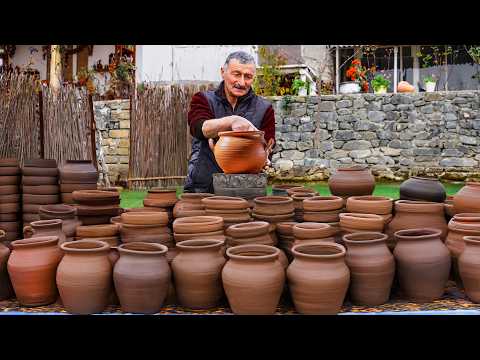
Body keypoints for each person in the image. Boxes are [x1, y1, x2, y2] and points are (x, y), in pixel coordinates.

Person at [184, 51, 276, 193]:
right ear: (223, 72)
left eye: (248, 77)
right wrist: (233, 121)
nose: (242, 82)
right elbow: (199, 128)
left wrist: (265, 158)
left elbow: (268, 145)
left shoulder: (265, 109)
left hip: (246, 188)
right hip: (203, 186)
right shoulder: (203, 99)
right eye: (236, 74)